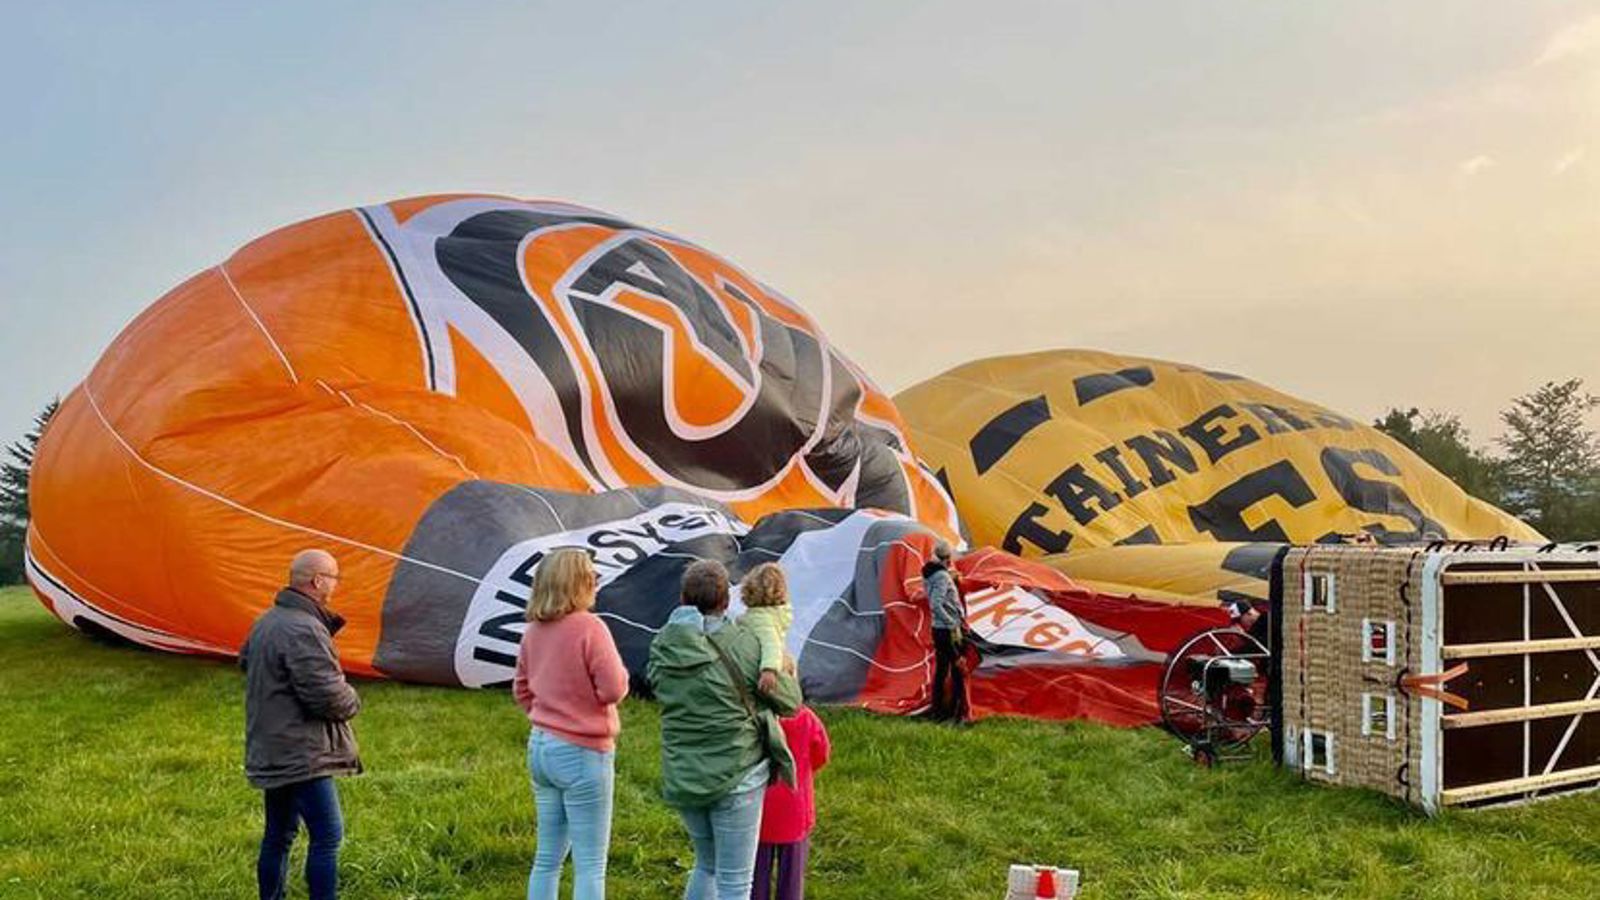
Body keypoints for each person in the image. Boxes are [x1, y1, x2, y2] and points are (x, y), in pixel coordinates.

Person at [648, 560, 802, 900]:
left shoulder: (662, 647)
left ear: (683, 599)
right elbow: (791, 703)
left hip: (684, 773)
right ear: (726, 601)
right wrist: (779, 657)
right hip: (738, 775)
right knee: (735, 883)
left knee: (706, 865)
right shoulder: (746, 645)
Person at [240, 548, 363, 900]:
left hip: (273, 745)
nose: (335, 586)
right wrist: (353, 697)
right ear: (317, 580)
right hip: (303, 755)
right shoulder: (304, 628)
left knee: (278, 835)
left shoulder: (267, 621)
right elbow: (327, 697)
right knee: (327, 835)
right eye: (334, 578)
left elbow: (246, 661)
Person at [513, 548, 630, 900]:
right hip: (583, 751)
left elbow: (521, 689)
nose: (596, 580)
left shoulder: (533, 631)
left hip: (541, 746)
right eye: (591, 574)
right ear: (578, 582)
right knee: (591, 864)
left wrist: (551, 711)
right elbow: (613, 688)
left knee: (547, 858)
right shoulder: (591, 628)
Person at [752, 705, 831, 900]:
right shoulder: (805, 717)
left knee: (755, 875)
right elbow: (821, 754)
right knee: (792, 877)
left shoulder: (752, 718)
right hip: (795, 810)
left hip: (757, 809)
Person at [922, 542, 969, 722]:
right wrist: (951, 623)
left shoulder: (929, 571)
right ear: (946, 558)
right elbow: (936, 603)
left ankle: (937, 711)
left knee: (941, 670)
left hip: (938, 628)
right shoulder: (941, 577)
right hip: (948, 629)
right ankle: (955, 713)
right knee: (958, 668)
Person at [738, 562, 796, 696]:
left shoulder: (761, 619)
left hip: (767, 670)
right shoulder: (775, 615)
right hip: (780, 665)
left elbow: (771, 644)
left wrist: (769, 669)